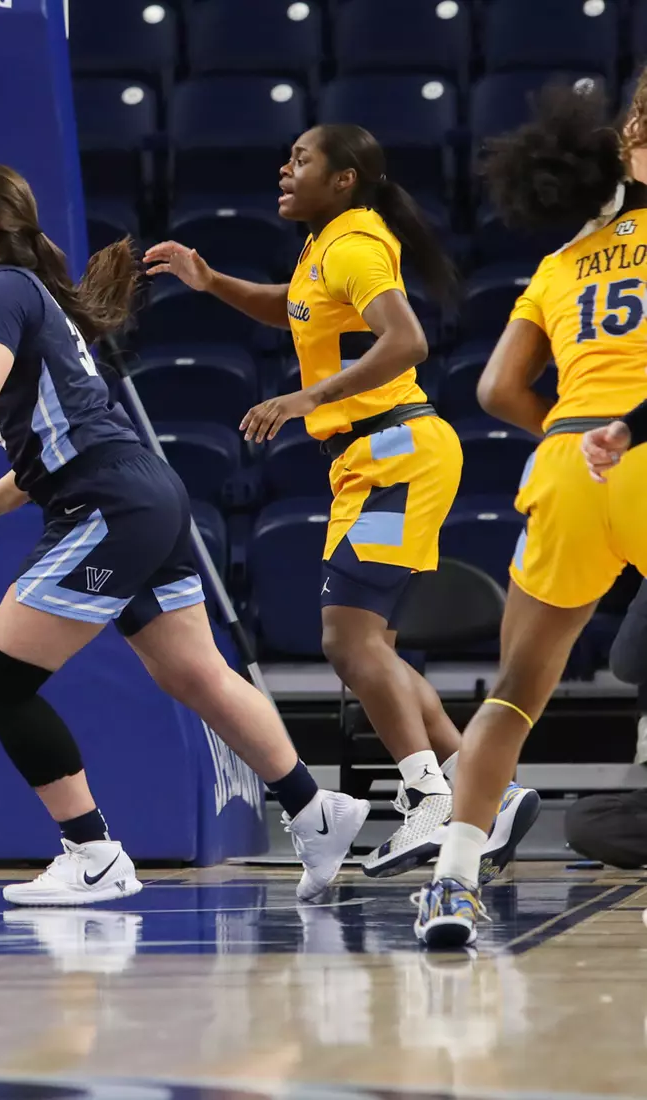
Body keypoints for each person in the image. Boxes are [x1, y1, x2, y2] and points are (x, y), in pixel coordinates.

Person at [0, 163, 367, 906]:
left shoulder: (0, 289)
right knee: (194, 673)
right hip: (139, 493)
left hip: (107, 504)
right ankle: (312, 808)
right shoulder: (25, 295)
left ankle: (93, 852)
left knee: (1, 684)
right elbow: (60, 430)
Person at [144, 126, 538, 879]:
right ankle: (486, 789)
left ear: (346, 177)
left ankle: (426, 801)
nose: (284, 169)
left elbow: (409, 340)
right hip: (372, 462)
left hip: (396, 455)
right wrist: (213, 282)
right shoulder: (325, 243)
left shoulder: (354, 243)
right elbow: (291, 310)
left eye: (301, 160)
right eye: (286, 156)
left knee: (346, 641)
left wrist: (306, 397)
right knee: (366, 645)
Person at [417, 85, 647, 948]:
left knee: (515, 693)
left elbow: (494, 390)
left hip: (569, 464)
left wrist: (571, 432)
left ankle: (452, 883)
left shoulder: (561, 262)